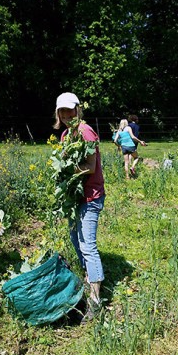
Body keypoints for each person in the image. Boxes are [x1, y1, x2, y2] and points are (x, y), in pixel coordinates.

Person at [53, 92, 105, 323]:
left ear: (77, 109)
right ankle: (90, 276)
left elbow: (90, 166)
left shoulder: (85, 131)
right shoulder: (66, 135)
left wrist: (65, 171)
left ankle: (95, 301)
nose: (65, 115)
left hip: (91, 196)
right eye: (61, 111)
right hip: (74, 198)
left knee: (88, 245)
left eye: (69, 110)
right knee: (75, 239)